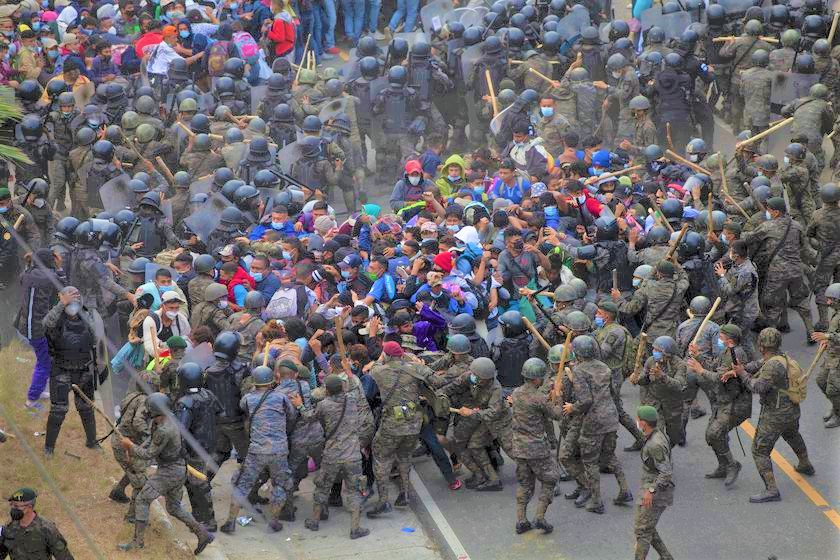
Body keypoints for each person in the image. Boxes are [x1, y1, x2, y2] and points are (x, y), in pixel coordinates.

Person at [117, 392, 214, 554]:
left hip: (170, 472)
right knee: (174, 507)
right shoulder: (166, 420)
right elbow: (151, 440)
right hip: (178, 469)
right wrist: (133, 449)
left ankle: (137, 542)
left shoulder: (164, 429)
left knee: (142, 499)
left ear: (154, 411)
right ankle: (203, 534)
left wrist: (131, 447)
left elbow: (149, 454)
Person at [42, 287, 99, 456]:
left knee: (86, 408)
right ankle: (49, 448)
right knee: (58, 410)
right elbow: (46, 324)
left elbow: (95, 337)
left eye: (76, 300)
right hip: (61, 369)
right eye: (70, 301)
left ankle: (92, 442)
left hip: (83, 369)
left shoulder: (86, 316)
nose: (72, 305)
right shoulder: (56, 316)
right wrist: (62, 304)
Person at [510, 358, 563, 535]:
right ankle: (540, 517)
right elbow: (556, 414)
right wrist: (558, 395)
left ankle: (521, 520)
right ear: (537, 379)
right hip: (537, 449)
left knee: (525, 484)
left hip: (519, 448)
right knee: (550, 479)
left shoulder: (516, 393)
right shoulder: (539, 398)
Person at [633, 406, 675, 560]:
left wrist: (651, 491)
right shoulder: (656, 433)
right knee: (646, 527)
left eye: (638, 419)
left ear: (644, 423)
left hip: (656, 490)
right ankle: (666, 557)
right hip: (651, 485)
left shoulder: (655, 444)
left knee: (642, 531)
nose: (636, 421)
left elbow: (666, 473)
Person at [0, 488, 73, 559]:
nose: (13, 508)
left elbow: (64, 557)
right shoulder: (9, 527)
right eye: (11, 504)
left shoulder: (46, 529)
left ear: (29, 507)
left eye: (16, 506)